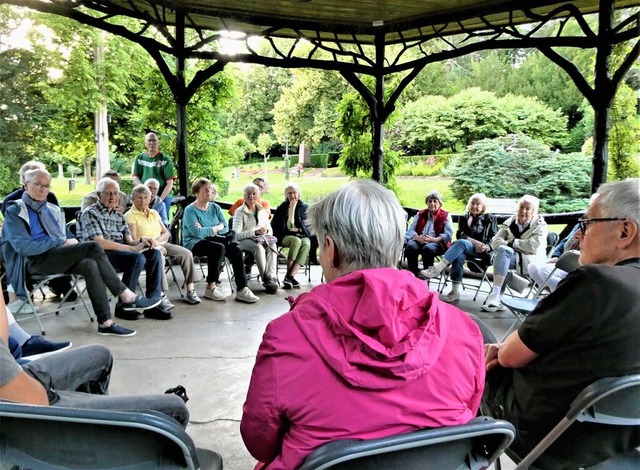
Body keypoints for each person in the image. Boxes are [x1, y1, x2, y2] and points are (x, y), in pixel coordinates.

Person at [241, 180, 485, 470]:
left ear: (330, 250)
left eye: (320, 245)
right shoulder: (463, 328)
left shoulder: (286, 336)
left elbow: (260, 441)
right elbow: (467, 414)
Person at [482, 178, 640, 468]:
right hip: (617, 442)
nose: (580, 235)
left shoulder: (596, 283)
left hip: (546, 437)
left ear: (625, 231)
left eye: (588, 223)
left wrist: (500, 350)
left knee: (473, 334)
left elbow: (509, 355)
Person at [3, 169, 160, 337]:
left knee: (90, 264)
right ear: (25, 186)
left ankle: (105, 323)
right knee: (92, 246)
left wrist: (68, 241)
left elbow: (66, 235)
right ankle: (126, 295)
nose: (42, 189)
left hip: (58, 256)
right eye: (38, 185)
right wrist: (59, 242)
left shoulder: (52, 210)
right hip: (33, 262)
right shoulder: (15, 211)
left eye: (46, 186)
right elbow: (24, 248)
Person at [0, 293, 189, 428]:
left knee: (100, 355)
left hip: (19, 377)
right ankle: (93, 434)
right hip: (25, 412)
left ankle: (102, 430)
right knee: (174, 409)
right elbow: (34, 403)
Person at [78, 176, 170, 321]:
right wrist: (130, 249)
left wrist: (142, 240)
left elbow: (130, 241)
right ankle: (124, 305)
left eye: (115, 193)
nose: (113, 197)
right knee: (136, 257)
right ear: (98, 195)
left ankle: (152, 305)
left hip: (120, 253)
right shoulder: (90, 213)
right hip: (98, 256)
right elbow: (99, 243)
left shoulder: (118, 216)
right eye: (108, 193)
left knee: (155, 254)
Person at [1, 160, 72, 309]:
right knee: (13, 253)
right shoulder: (12, 203)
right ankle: (15, 297)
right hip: (24, 247)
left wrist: (61, 240)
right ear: (24, 182)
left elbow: (57, 227)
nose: (41, 188)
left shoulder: (50, 199)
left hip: (50, 246)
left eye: (44, 184)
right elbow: (18, 239)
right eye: (36, 181)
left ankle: (58, 285)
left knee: (70, 295)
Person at [182, 178, 259, 303]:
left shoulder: (215, 208)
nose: (209, 191)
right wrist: (216, 227)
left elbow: (225, 227)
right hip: (194, 242)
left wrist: (210, 229)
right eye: (205, 190)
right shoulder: (190, 210)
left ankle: (242, 288)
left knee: (236, 250)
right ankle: (211, 287)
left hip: (214, 239)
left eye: (210, 189)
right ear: (196, 193)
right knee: (218, 248)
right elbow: (196, 233)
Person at [125, 184, 201, 305]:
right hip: (145, 247)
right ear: (133, 199)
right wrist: (154, 245)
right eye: (139, 197)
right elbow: (134, 239)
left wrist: (158, 241)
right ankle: (160, 294)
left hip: (160, 243)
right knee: (159, 256)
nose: (142, 200)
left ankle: (190, 290)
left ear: (150, 199)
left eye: (145, 197)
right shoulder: (130, 215)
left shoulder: (154, 212)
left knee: (186, 253)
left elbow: (166, 232)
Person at [421, 193, 498, 303]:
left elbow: (494, 238)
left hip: (482, 250)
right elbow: (460, 234)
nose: (475, 206)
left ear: (483, 206)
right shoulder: (464, 217)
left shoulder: (490, 219)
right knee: (458, 255)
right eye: (472, 203)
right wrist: (474, 242)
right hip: (466, 249)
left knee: (461, 243)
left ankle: (437, 268)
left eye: (478, 204)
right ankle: (455, 292)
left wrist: (485, 245)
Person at [481, 194, 548, 312]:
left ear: (534, 211)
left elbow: (534, 246)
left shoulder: (540, 225)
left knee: (502, 257)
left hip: (531, 261)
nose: (523, 211)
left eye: (528, 209)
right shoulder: (510, 222)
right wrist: (514, 246)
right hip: (511, 257)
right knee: (502, 252)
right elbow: (495, 242)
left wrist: (511, 243)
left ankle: (496, 296)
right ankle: (496, 296)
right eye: (521, 207)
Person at [232, 183, 279, 294]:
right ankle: (266, 279)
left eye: (254, 194)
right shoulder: (240, 211)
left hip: (261, 238)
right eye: (248, 194)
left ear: (258, 196)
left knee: (272, 245)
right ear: (244, 196)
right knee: (258, 248)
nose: (251, 196)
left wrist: (266, 231)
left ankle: (271, 277)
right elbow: (236, 235)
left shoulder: (262, 211)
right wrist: (254, 232)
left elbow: (269, 228)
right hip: (243, 240)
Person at [271, 183, 311, 290]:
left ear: (299, 194)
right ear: (286, 195)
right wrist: (292, 209)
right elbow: (288, 227)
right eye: (289, 193)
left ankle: (289, 276)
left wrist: (299, 229)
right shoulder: (282, 208)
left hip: (302, 235)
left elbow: (309, 226)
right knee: (296, 241)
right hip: (284, 236)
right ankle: (289, 277)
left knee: (307, 243)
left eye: (294, 192)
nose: (292, 195)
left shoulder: (305, 208)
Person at [404, 190, 453, 277]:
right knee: (411, 246)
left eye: (435, 201)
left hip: (437, 242)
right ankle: (413, 274)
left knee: (428, 249)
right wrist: (418, 238)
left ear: (440, 203)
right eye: (429, 201)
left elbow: (448, 234)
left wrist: (434, 239)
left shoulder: (446, 215)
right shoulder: (420, 213)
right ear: (426, 203)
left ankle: (428, 275)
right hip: (420, 239)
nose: (432, 203)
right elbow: (411, 230)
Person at [132, 132, 176, 219]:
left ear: (158, 142)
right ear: (145, 143)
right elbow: (135, 178)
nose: (151, 143)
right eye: (149, 140)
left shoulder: (165, 159)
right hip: (144, 193)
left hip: (162, 193)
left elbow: (170, 183)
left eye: (154, 140)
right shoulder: (139, 158)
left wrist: (160, 199)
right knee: (140, 217)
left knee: (162, 218)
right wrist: (145, 191)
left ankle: (165, 232)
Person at [527, 223, 580, 293]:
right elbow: (564, 242)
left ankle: (562, 297)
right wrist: (556, 256)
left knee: (545, 271)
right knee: (532, 267)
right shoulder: (579, 225)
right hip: (562, 258)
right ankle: (549, 293)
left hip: (576, 264)